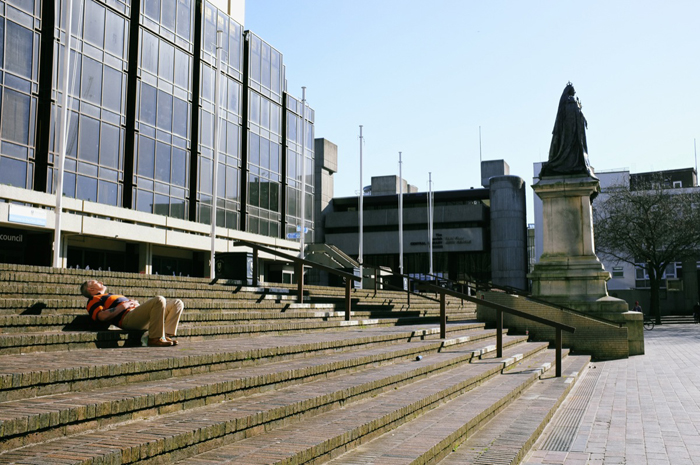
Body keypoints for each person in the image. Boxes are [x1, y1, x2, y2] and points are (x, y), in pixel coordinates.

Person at [80, 280, 183, 347]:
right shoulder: (94, 299)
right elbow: (102, 316)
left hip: (137, 316)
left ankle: (163, 336)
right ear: (91, 289)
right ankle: (154, 339)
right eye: (97, 282)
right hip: (127, 319)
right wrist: (124, 306)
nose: (101, 282)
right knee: (159, 299)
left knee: (177, 303)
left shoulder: (109, 295)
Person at [540, 82, 596, 179]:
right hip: (569, 131)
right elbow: (572, 115)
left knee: (574, 148)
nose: (575, 92)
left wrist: (582, 118)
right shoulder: (569, 102)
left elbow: (578, 114)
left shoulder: (569, 102)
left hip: (574, 131)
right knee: (567, 147)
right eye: (573, 90)